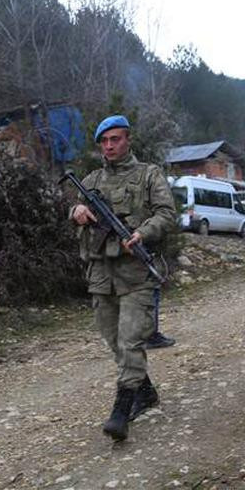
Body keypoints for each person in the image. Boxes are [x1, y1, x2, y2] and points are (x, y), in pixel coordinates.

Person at [69, 114, 176, 441]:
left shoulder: (149, 175)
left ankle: (121, 407)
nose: (109, 146)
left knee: (130, 339)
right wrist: (76, 212)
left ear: (128, 139)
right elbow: (74, 207)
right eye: (104, 141)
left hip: (135, 273)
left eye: (115, 139)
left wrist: (142, 233)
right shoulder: (92, 179)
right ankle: (144, 391)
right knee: (113, 340)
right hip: (101, 272)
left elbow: (166, 213)